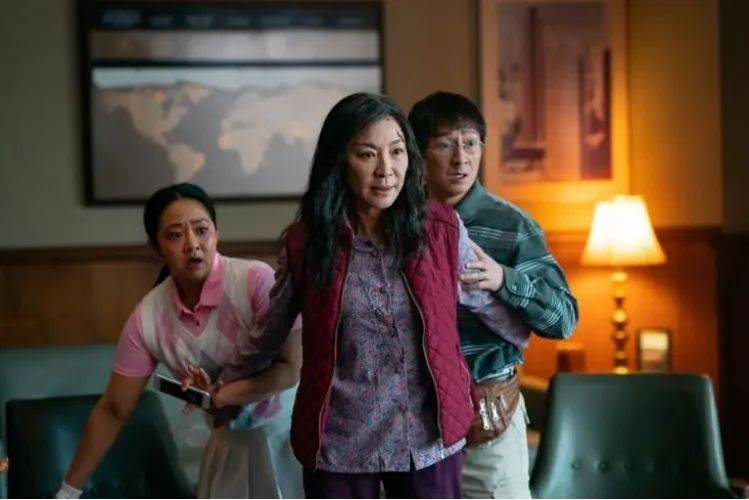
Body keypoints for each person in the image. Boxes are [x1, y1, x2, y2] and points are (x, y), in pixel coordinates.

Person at [228, 92, 522, 498]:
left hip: (427, 438)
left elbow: (487, 303)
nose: (386, 170)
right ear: (340, 161)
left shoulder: (441, 229)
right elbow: (270, 329)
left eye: (397, 152)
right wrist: (225, 380)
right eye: (367, 155)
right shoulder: (308, 244)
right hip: (340, 441)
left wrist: (520, 331)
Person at [56, 183, 303, 499]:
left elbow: (291, 367)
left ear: (216, 233)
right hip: (230, 450)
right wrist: (67, 492)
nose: (192, 244)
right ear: (157, 247)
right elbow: (114, 409)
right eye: (175, 235)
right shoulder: (148, 317)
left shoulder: (254, 280)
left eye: (201, 230)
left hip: (293, 439)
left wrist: (224, 394)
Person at [409, 91, 579, 499]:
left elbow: (564, 319)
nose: (461, 159)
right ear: (418, 153)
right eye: (445, 145)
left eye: (470, 144)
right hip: (415, 420)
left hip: (486, 417)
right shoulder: (400, 222)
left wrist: (503, 279)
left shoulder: (511, 225)